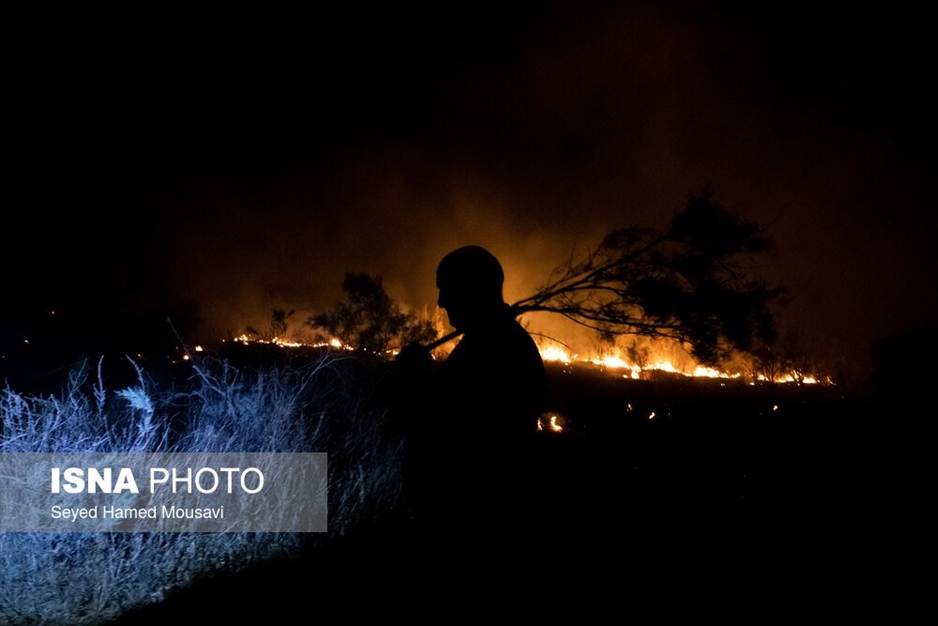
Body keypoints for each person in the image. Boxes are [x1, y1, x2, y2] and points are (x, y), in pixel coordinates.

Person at [397, 245, 546, 544]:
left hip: (473, 518)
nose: (440, 302)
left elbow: (458, 426)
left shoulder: (495, 349)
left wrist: (419, 379)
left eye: (446, 289)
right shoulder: (493, 341)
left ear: (472, 288)